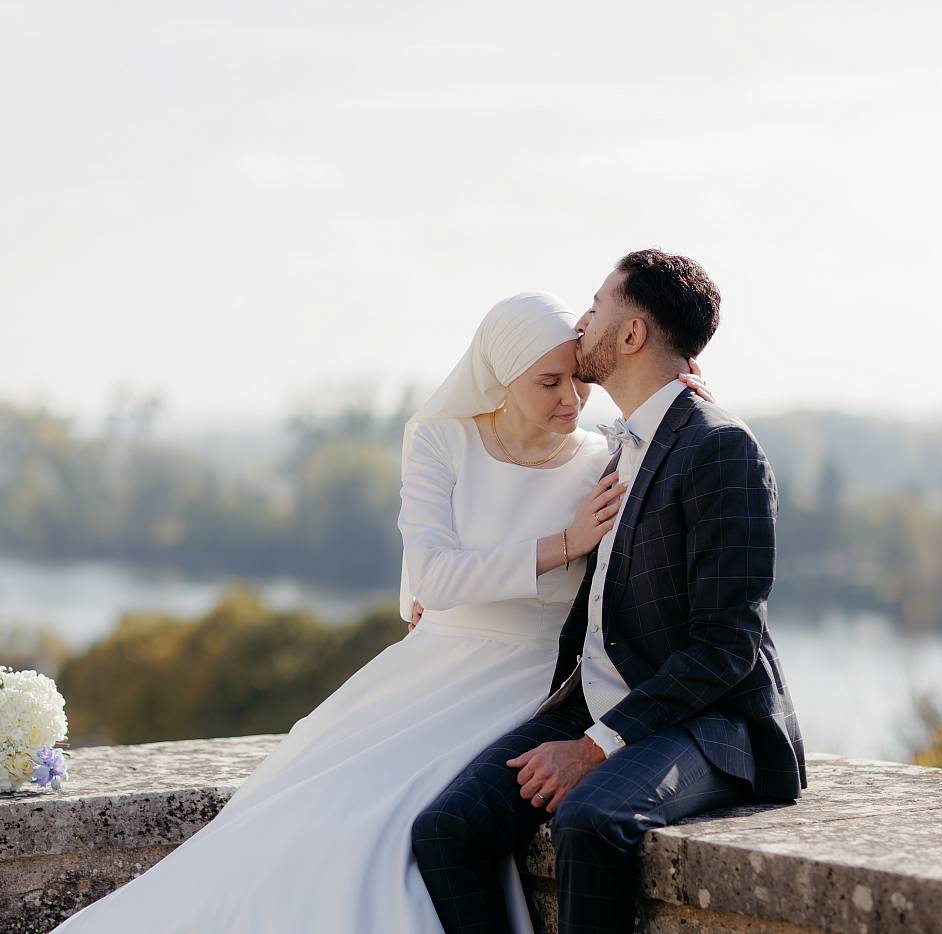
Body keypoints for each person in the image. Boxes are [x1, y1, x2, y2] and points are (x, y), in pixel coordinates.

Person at [47, 291, 707, 932]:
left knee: (385, 829)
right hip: (431, 667)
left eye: (579, 382)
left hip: (530, 681)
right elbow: (434, 576)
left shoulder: (606, 457)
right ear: (503, 378)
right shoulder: (439, 441)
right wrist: (563, 545)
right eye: (548, 382)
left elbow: (667, 441)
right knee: (307, 810)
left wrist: (686, 394)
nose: (570, 398)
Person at [412, 249, 807, 934]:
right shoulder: (620, 442)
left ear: (630, 337)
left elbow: (726, 646)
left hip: (709, 722)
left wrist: (596, 747)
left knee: (590, 821)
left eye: (597, 306)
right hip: (594, 698)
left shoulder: (720, 448)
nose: (583, 318)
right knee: (449, 829)